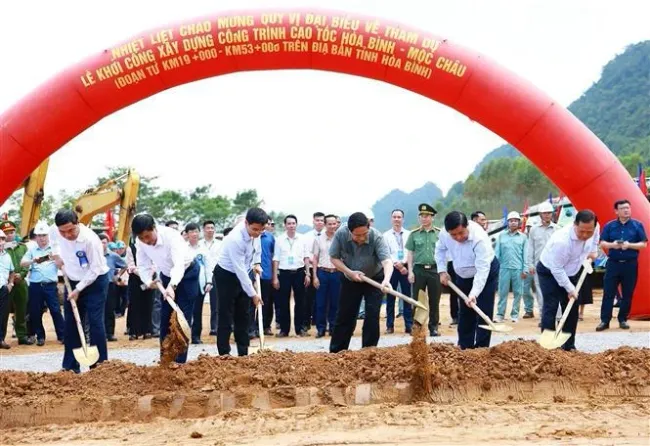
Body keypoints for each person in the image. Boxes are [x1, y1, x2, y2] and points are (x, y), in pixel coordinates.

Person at [132, 214, 199, 364]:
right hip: (167, 275)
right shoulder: (140, 241)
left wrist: (172, 286)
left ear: (154, 228)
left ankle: (179, 363)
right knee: (165, 318)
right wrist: (148, 281)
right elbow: (143, 265)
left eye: (148, 236)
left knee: (181, 319)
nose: (146, 241)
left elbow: (179, 264)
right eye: (142, 238)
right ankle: (166, 361)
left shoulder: (172, 236)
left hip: (187, 273)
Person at [50, 209, 110, 373]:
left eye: (71, 230)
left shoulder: (90, 240)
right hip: (73, 280)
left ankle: (99, 366)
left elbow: (95, 269)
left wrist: (78, 289)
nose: (68, 235)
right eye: (63, 232)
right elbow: (53, 240)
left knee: (95, 321)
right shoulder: (55, 231)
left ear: (78, 223)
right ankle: (70, 366)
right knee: (71, 322)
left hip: (95, 282)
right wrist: (56, 256)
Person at [328, 212, 393, 353]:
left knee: (372, 314)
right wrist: (350, 272)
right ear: (350, 231)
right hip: (350, 279)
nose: (362, 238)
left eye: (365, 233)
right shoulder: (341, 234)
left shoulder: (376, 236)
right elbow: (334, 258)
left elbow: (387, 261)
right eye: (357, 235)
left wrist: (386, 280)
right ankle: (337, 353)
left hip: (374, 278)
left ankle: (368, 352)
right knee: (345, 315)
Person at [435, 211, 499, 350]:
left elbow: (483, 269)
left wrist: (474, 293)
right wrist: (442, 270)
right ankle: (465, 346)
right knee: (465, 310)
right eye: (454, 235)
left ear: (467, 226)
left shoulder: (479, 238)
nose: (458, 237)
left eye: (461, 233)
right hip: (462, 274)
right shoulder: (444, 234)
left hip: (485, 273)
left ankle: (481, 348)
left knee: (483, 309)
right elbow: (439, 250)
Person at [537, 210, 599, 351]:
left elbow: (595, 237)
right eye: (581, 231)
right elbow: (557, 269)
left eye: (588, 232)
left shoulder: (594, 227)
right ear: (574, 225)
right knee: (551, 306)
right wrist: (570, 289)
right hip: (549, 272)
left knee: (571, 307)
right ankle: (548, 347)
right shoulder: (562, 241)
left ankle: (569, 345)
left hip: (572, 270)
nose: (585, 235)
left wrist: (594, 250)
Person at [213, 207, 266, 356]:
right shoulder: (235, 239)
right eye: (254, 229)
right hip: (226, 275)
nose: (257, 233)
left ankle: (243, 353)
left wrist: (257, 263)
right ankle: (224, 354)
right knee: (226, 314)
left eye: (260, 230)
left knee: (243, 315)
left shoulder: (258, 232)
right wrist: (253, 294)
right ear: (246, 223)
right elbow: (240, 270)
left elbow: (257, 248)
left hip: (245, 271)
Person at [597, 199, 647, 331]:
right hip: (613, 264)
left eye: (628, 208)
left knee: (627, 293)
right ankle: (604, 320)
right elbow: (602, 243)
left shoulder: (637, 225)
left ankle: (622, 319)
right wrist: (613, 245)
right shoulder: (610, 226)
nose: (626, 210)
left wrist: (629, 245)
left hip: (630, 264)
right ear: (616, 211)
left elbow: (644, 244)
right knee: (608, 292)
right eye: (623, 208)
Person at [20, 221, 65, 346]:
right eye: (39, 235)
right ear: (35, 237)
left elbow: (63, 264)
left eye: (44, 235)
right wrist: (32, 261)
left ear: (48, 236)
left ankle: (62, 335)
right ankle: (40, 336)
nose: (42, 238)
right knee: (35, 312)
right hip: (35, 286)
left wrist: (57, 260)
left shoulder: (55, 249)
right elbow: (22, 263)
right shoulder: (32, 250)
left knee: (55, 310)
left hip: (50, 285)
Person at [406, 204, 441, 336]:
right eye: (421, 216)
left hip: (435, 270)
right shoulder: (414, 234)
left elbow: (445, 253)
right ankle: (417, 327)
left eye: (426, 216)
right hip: (419, 270)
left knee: (434, 299)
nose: (424, 218)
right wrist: (410, 271)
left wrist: (444, 271)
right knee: (417, 300)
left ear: (432, 217)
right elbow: (410, 253)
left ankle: (433, 327)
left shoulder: (439, 233)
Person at [0, 220, 32, 345]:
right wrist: (10, 280)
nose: (10, 235)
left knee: (21, 310)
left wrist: (22, 274)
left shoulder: (23, 247)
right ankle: (2, 337)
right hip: (7, 284)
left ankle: (22, 336)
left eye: (12, 232)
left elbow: (27, 263)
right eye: (7, 233)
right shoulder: (2, 248)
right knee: (4, 311)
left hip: (21, 283)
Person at [383, 209, 413, 334]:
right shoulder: (385, 235)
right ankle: (390, 325)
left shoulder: (409, 234)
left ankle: (409, 325)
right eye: (394, 217)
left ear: (403, 219)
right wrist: (397, 264)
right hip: (391, 269)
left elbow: (410, 251)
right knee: (390, 297)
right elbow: (385, 253)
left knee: (407, 297)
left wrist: (404, 263)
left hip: (406, 268)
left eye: (399, 217)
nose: (397, 219)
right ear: (391, 219)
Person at [312, 214, 341, 338]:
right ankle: (321, 328)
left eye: (334, 223)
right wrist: (315, 276)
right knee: (320, 303)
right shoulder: (318, 239)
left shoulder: (340, 238)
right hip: (322, 272)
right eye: (329, 224)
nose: (332, 226)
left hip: (336, 273)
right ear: (325, 225)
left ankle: (333, 328)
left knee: (335, 302)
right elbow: (315, 258)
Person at [0, 229, 15, 349]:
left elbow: (12, 271)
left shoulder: (7, 256)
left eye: (2, 239)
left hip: (3, 289)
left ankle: (1, 339)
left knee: (3, 315)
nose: (1, 242)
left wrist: (10, 284)